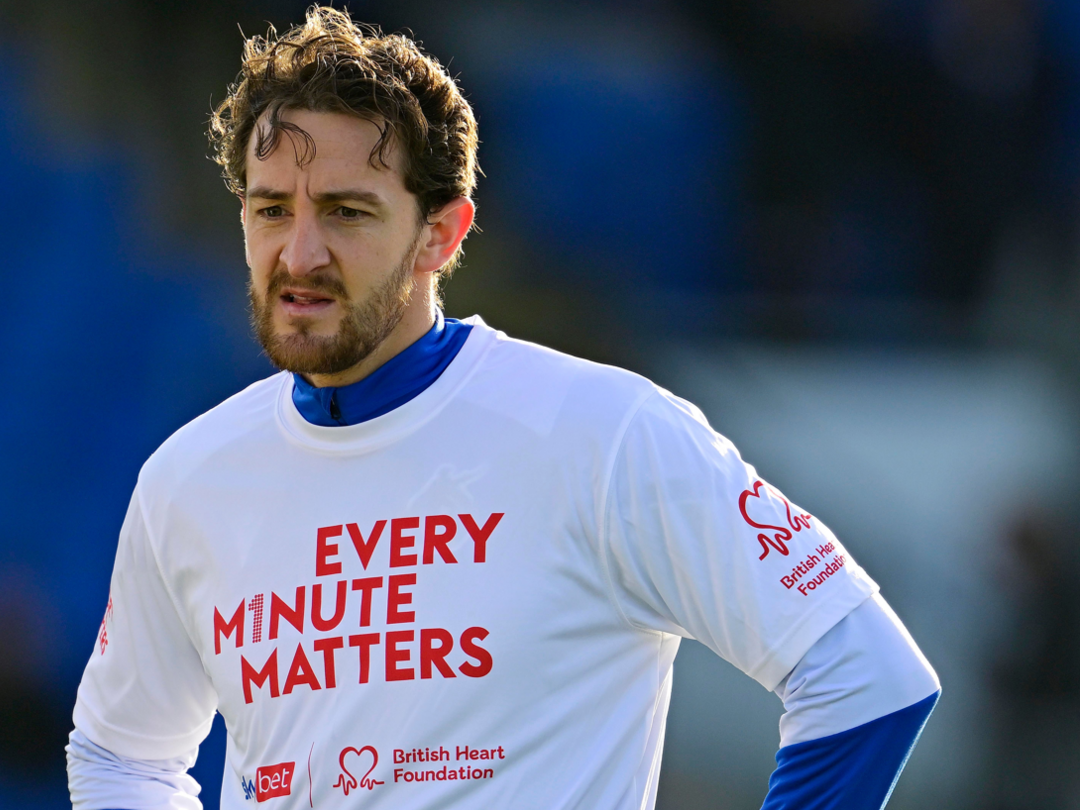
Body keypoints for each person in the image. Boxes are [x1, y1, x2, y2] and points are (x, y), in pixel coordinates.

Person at [65, 8, 940, 809]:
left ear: (439, 234)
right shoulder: (189, 478)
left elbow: (864, 678)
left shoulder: (602, 434)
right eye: (270, 210)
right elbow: (119, 756)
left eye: (346, 211)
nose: (300, 253)